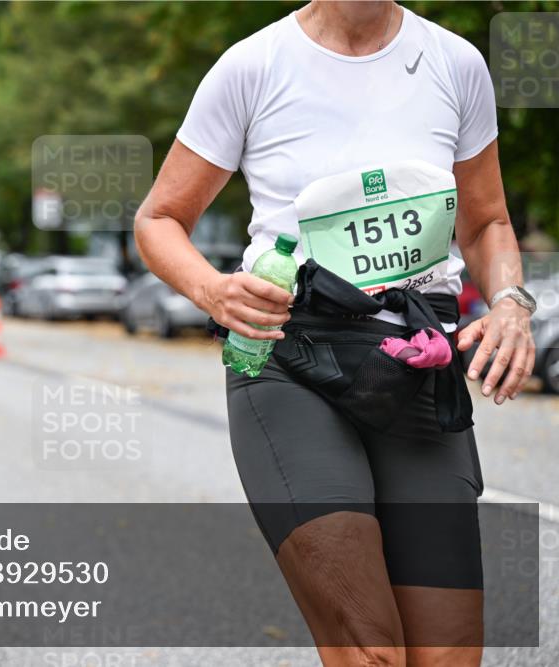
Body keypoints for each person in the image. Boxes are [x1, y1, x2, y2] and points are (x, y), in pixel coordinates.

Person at [134, 3, 535, 666]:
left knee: (449, 655)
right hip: (290, 358)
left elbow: (487, 221)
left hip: (417, 363)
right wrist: (214, 289)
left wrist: (512, 305)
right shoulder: (252, 67)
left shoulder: (456, 64)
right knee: (370, 648)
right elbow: (160, 218)